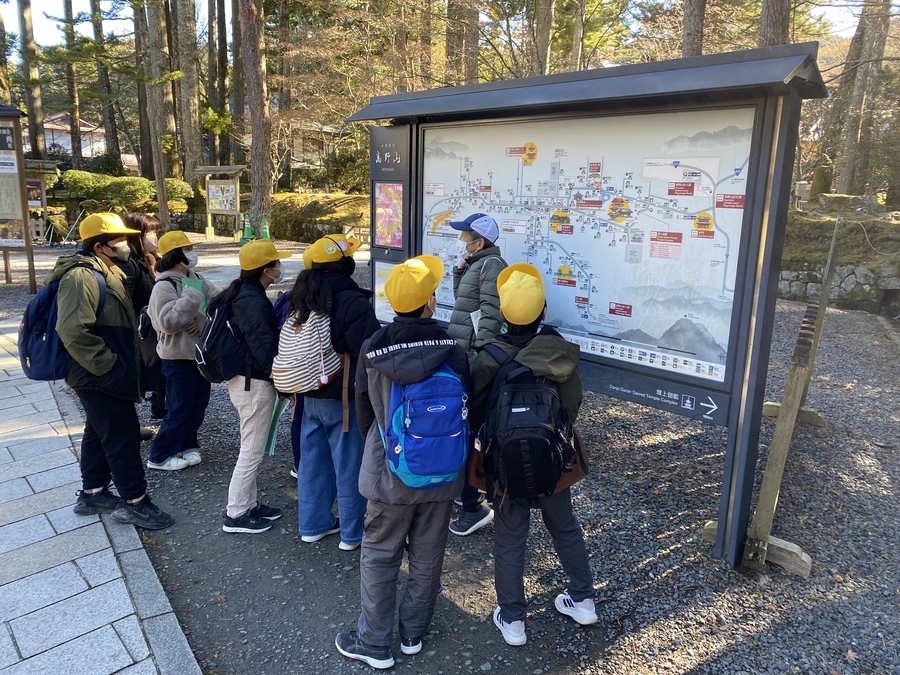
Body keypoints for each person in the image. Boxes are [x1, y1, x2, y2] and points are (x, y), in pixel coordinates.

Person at [335, 255, 469, 670]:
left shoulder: (373, 348)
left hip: (389, 472)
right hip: (443, 470)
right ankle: (413, 633)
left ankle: (374, 642)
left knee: (379, 553)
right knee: (428, 555)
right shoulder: (453, 349)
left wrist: (380, 450)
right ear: (430, 302)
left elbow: (364, 411)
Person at [469, 263, 596, 647]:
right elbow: (571, 406)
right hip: (553, 460)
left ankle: (513, 621)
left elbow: (476, 412)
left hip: (505, 466)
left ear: (502, 313)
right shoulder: (558, 352)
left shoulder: (489, 356)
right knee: (564, 526)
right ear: (543, 311)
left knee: (510, 538)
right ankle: (583, 600)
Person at [50, 212, 174, 529]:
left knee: (98, 430)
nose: (125, 244)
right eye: (119, 239)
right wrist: (109, 366)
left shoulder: (106, 270)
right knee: (122, 437)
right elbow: (73, 331)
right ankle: (136, 503)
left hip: (100, 373)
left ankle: (92, 493)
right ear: (100, 246)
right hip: (97, 374)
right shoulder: (81, 277)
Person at [290, 235, 379, 550]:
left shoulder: (302, 295)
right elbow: (366, 352)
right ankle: (352, 534)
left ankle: (312, 525)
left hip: (308, 392)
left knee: (313, 463)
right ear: (345, 265)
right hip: (342, 398)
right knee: (349, 464)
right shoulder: (352, 301)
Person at [215, 238, 292, 534]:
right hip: (254, 384)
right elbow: (265, 349)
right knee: (251, 451)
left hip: (245, 381)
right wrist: (284, 383)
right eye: (276, 264)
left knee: (251, 446)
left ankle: (249, 504)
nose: (280, 268)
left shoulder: (243, 292)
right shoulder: (252, 301)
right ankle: (236, 513)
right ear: (265, 270)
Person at [447, 212, 508, 537]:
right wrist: (459, 270)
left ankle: (473, 503)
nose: (461, 241)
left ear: (479, 242)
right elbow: (464, 300)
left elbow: (490, 314)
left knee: (470, 429)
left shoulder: (491, 265)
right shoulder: (477, 263)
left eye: (464, 236)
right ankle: (466, 490)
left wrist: (479, 356)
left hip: (472, 359)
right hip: (463, 356)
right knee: (465, 426)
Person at [145, 231, 218, 471]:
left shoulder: (195, 277)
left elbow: (218, 302)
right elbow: (166, 322)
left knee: (198, 404)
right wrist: (191, 297)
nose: (192, 253)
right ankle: (160, 456)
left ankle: (188, 445)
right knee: (179, 407)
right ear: (176, 255)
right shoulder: (164, 285)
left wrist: (201, 321)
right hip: (177, 358)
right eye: (187, 249)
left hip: (199, 355)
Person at [124, 212, 166, 420]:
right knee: (146, 369)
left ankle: (160, 406)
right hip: (142, 328)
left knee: (158, 369)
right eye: (149, 232)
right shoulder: (129, 264)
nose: (153, 236)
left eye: (154, 232)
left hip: (155, 325)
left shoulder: (153, 258)